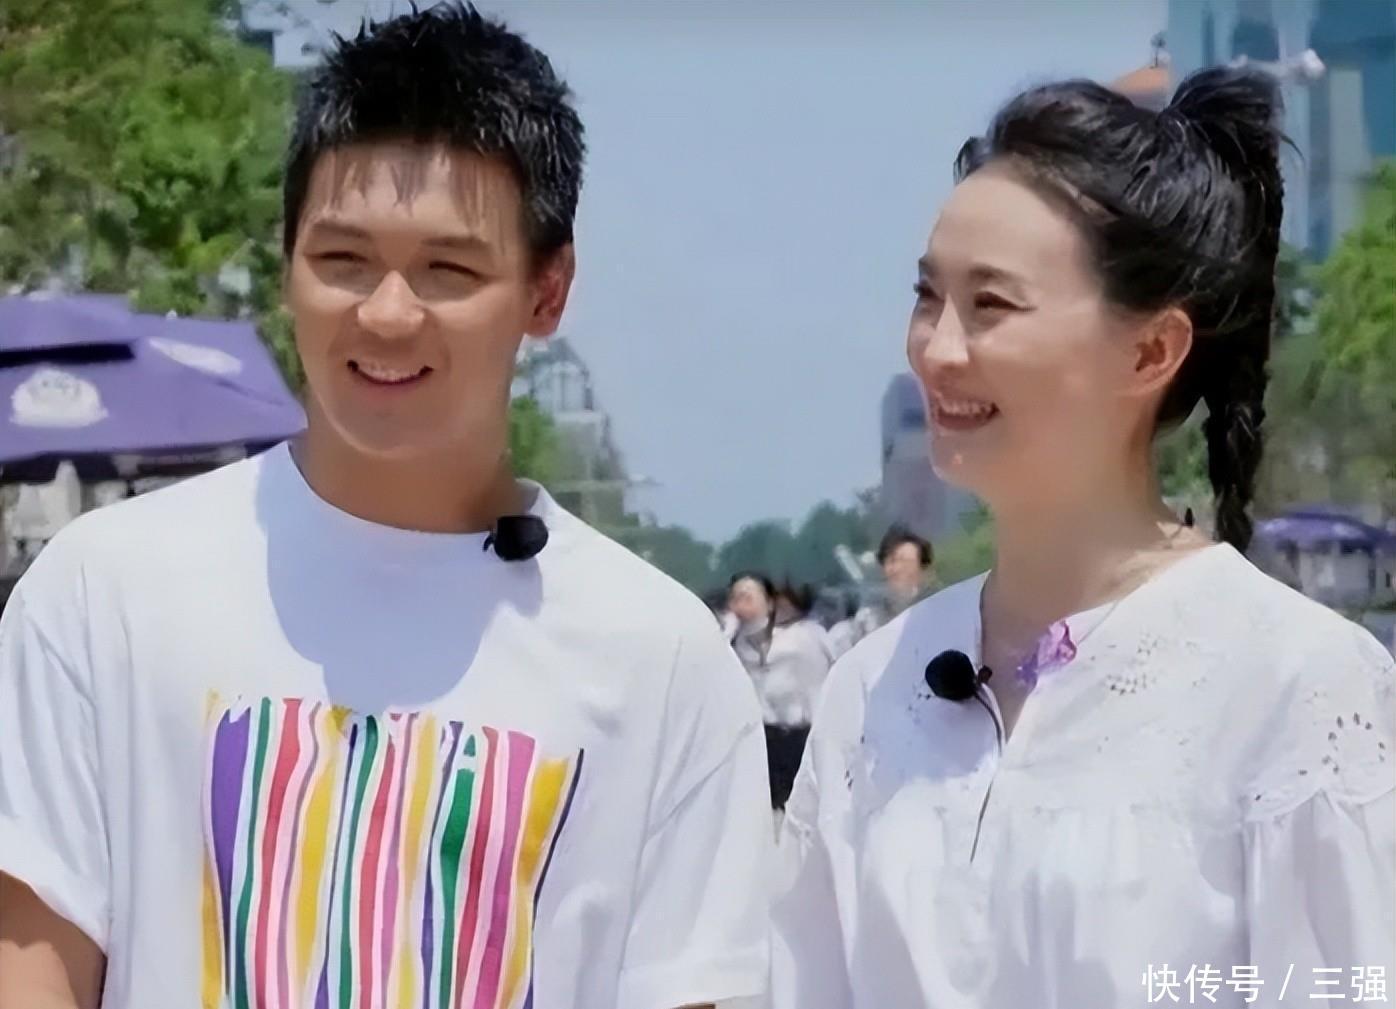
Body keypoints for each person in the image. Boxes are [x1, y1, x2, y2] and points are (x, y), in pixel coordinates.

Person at [0, 7, 771, 1009]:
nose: (387, 313)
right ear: (285, 262)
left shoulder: (661, 659)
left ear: (547, 291)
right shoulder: (103, 592)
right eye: (343, 260)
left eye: (449, 270)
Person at [772, 67, 1394, 1007]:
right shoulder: (873, 687)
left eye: (991, 305)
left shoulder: (1298, 686)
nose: (937, 348)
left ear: (1150, 350)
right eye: (928, 296)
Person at [728, 573, 832, 810]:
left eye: (747, 597)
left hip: (802, 738)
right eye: (735, 598)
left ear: (769, 603)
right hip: (760, 742)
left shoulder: (804, 639)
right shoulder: (732, 645)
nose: (741, 605)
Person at [830, 525, 934, 656]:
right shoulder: (869, 620)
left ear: (923, 569)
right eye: (891, 561)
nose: (896, 569)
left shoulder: (936, 611)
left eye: (904, 561)